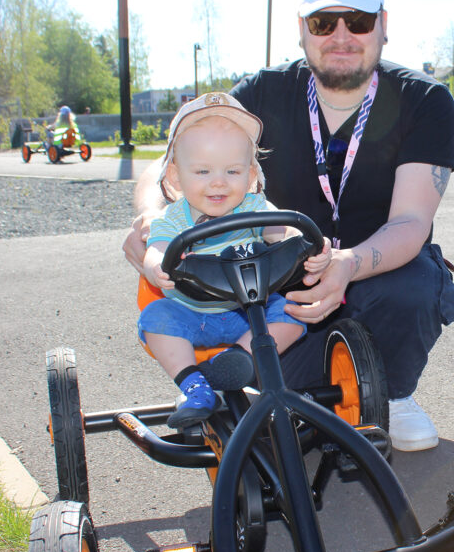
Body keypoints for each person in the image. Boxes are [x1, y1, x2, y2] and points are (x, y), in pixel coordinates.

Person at [125, 0, 454, 451]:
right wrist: (151, 215)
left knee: (416, 286)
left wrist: (346, 264)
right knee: (280, 394)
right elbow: (168, 164)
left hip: (372, 269)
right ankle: (296, 392)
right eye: (324, 23)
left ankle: (394, 394)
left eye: (358, 21)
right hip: (281, 278)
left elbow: (411, 220)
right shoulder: (262, 92)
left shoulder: (424, 99)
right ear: (302, 30)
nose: (341, 35)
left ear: (383, 26)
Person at [137, 92, 331, 430]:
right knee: (155, 318)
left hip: (249, 314)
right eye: (202, 171)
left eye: (232, 170)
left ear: (251, 173)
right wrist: (155, 264)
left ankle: (238, 360)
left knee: (292, 313)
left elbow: (281, 232)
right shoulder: (172, 219)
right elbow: (157, 247)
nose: (218, 181)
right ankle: (194, 385)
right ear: (175, 176)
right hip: (193, 313)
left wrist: (309, 247)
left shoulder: (255, 208)